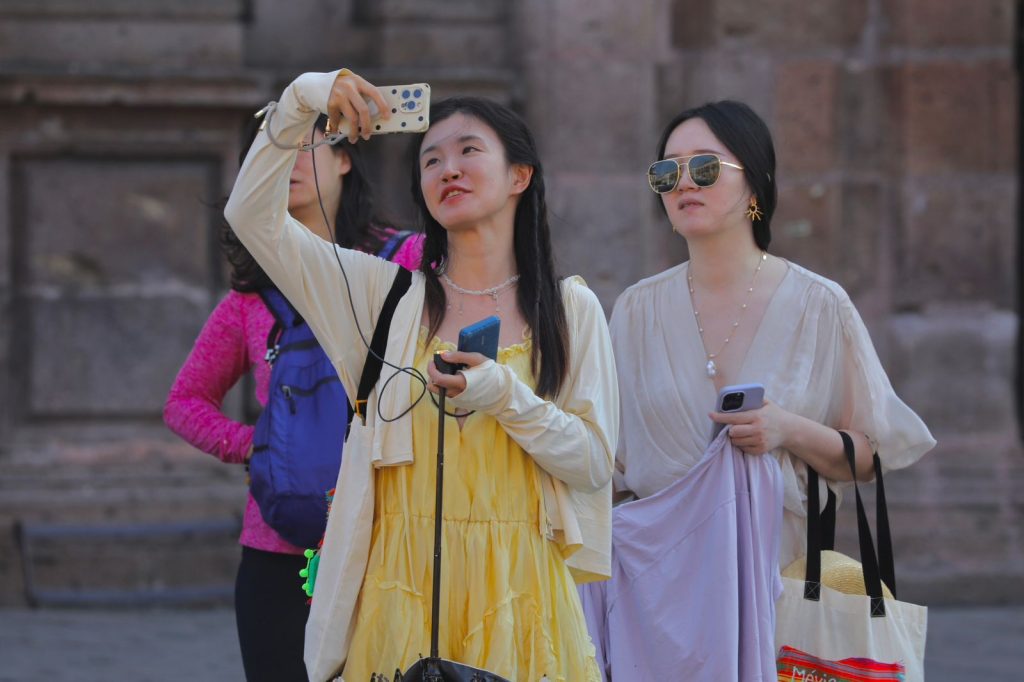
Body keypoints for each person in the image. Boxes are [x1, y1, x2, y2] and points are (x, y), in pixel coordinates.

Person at [224, 69, 618, 682]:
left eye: (468, 151)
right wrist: (303, 97)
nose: (448, 169)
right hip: (399, 594)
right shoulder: (381, 296)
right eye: (431, 160)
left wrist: (503, 395)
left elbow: (593, 462)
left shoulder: (569, 308)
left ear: (520, 175)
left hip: (521, 596)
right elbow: (251, 217)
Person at [590, 100, 936, 676]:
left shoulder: (819, 304)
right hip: (654, 603)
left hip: (775, 589)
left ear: (754, 181)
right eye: (667, 172)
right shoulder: (634, 309)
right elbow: (611, 466)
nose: (683, 184)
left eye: (705, 167)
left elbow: (870, 454)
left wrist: (787, 429)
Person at [164, 115, 423, 682]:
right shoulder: (251, 298)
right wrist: (258, 445)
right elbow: (184, 401)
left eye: (305, 143)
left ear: (345, 158)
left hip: (395, 537)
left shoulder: (407, 258)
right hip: (280, 548)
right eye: (272, 149)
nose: (289, 159)